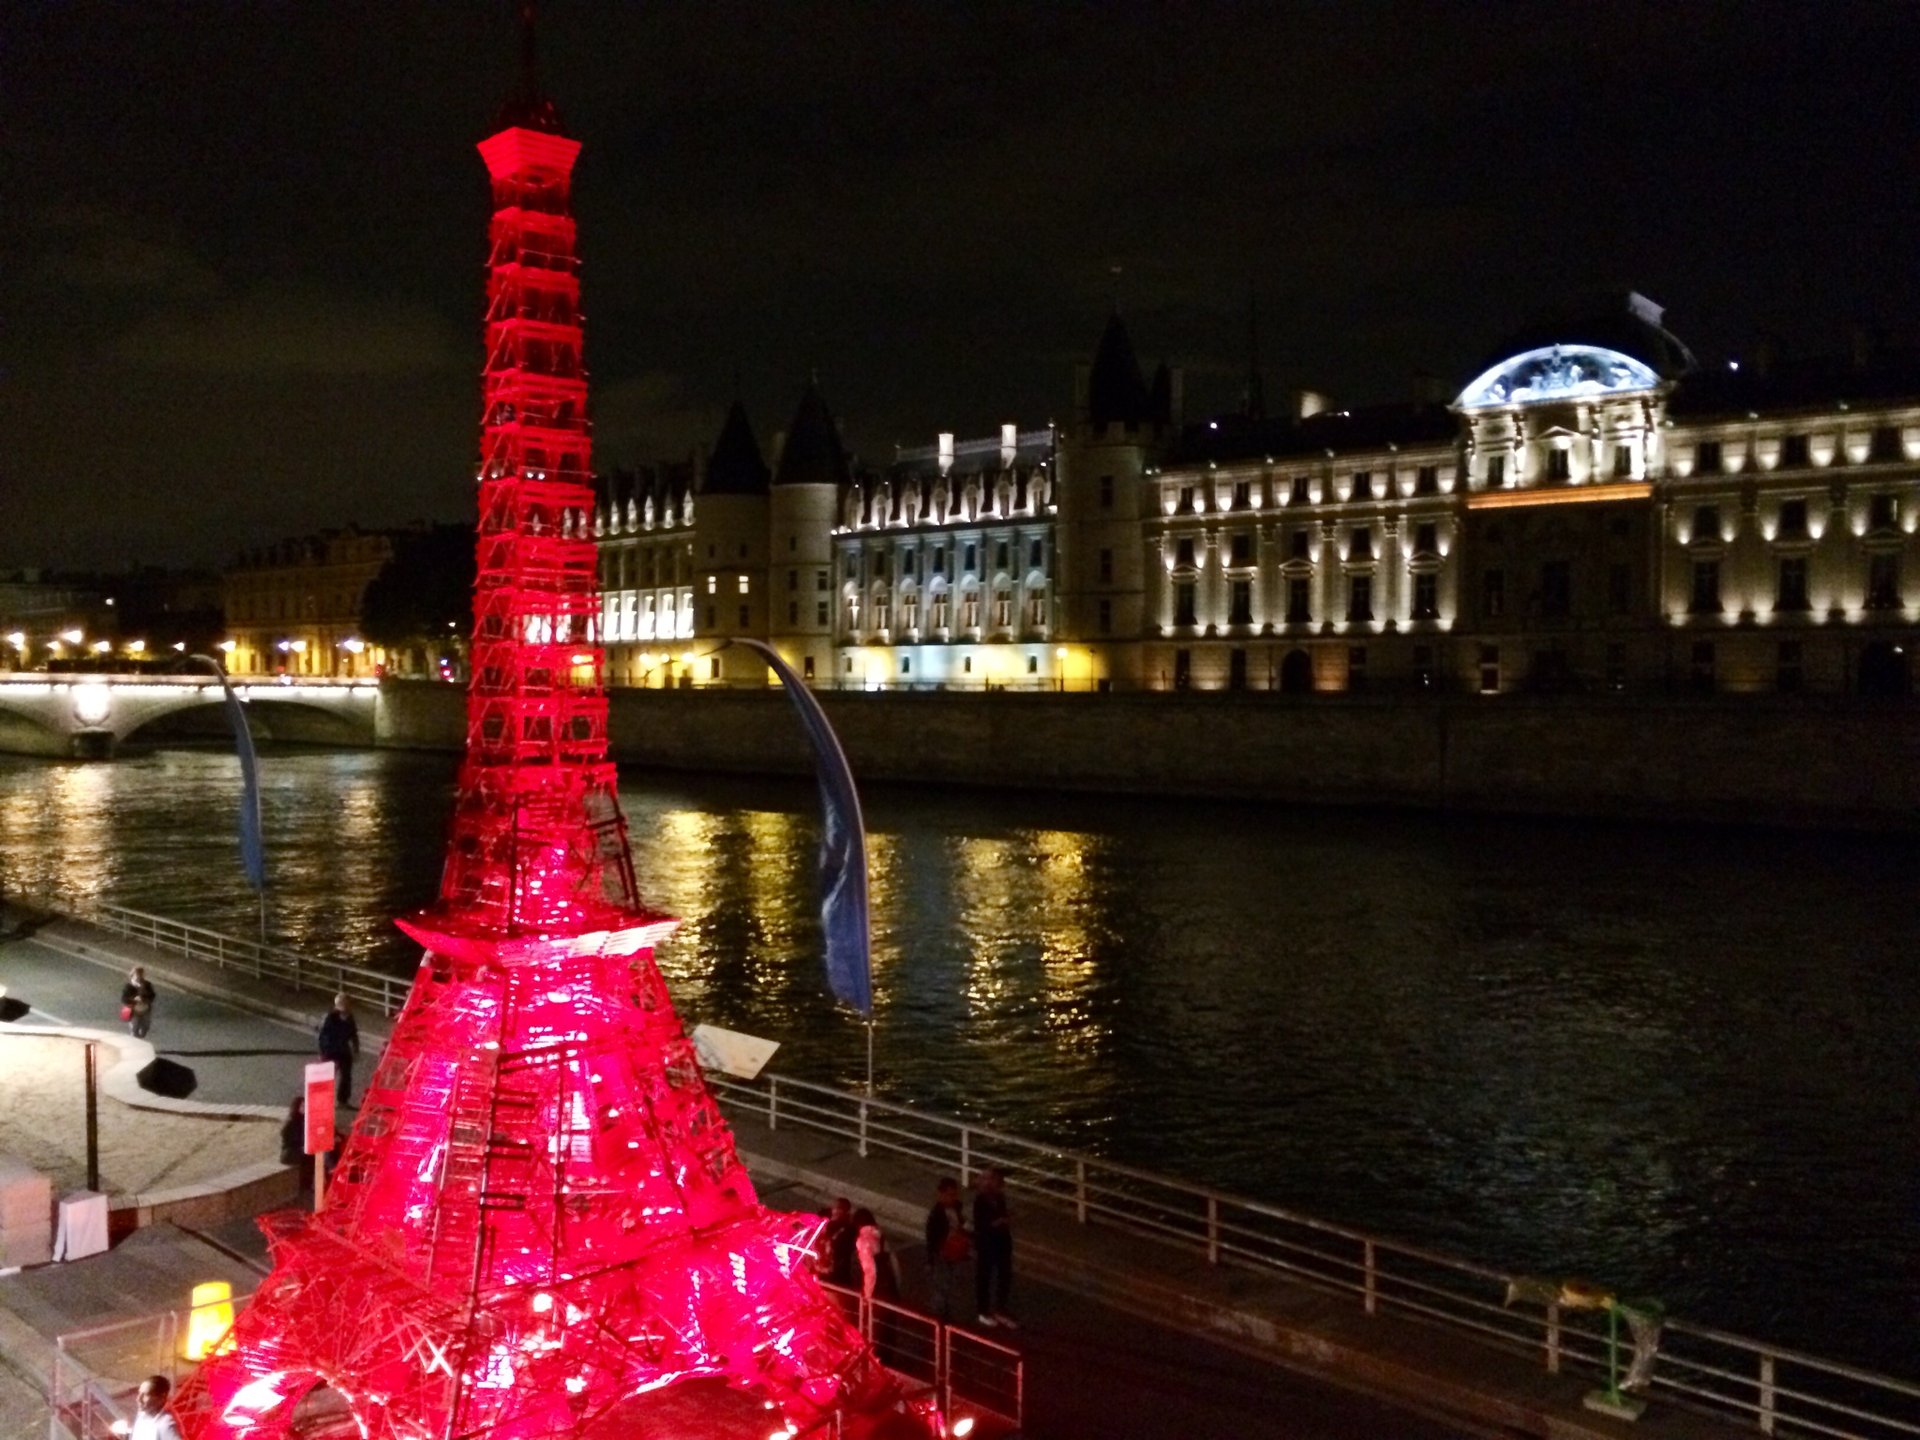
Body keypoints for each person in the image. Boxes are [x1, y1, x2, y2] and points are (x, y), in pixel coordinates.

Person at [972, 1167, 1016, 1329]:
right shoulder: (981, 1200)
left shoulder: (999, 1198)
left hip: (1002, 1242)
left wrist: (1003, 1220)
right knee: (984, 1277)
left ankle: (1000, 1309)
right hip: (986, 1244)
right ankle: (983, 1311)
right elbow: (982, 1225)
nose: (991, 1183)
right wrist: (1001, 1221)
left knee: (1004, 1277)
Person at [923, 1176, 969, 1322]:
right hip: (942, 1252)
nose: (953, 1198)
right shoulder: (936, 1215)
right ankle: (939, 1317)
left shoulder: (956, 1208)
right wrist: (930, 1260)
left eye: (954, 1195)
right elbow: (931, 1240)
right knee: (941, 1285)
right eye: (950, 1194)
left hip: (954, 1251)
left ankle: (945, 1314)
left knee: (949, 1284)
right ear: (941, 1194)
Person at [316, 993, 361, 1106]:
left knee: (346, 1076)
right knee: (327, 1075)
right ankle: (322, 1100)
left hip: (343, 1050)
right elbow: (322, 1036)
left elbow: (353, 1034)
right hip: (330, 1050)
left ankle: (343, 1100)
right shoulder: (330, 1017)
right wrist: (322, 1052)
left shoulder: (349, 1017)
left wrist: (356, 1050)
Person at [110, 1374, 182, 1440]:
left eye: (145, 1395)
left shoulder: (165, 1424)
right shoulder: (142, 1414)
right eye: (139, 1393)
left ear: (161, 1398)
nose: (138, 1399)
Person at [853, 1207, 899, 1303]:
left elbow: (870, 1271)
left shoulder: (863, 1241)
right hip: (889, 1286)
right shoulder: (880, 1235)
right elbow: (892, 1259)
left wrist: (867, 1295)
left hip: (877, 1290)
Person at [814, 1196, 858, 1289]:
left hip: (836, 1274)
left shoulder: (848, 1230)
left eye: (839, 1209)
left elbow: (844, 1251)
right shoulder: (826, 1226)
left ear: (846, 1211)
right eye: (834, 1208)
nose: (836, 1211)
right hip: (822, 1270)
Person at [120, 967, 155, 1040]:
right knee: (134, 1028)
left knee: (146, 1026)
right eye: (137, 975)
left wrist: (145, 998)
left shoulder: (147, 984)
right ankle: (135, 1042)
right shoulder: (129, 986)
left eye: (141, 975)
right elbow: (124, 999)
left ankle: (141, 1035)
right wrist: (134, 1000)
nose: (139, 977)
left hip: (145, 1010)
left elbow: (152, 995)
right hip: (134, 1011)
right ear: (132, 975)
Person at [280, 1095, 305, 1168]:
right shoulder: (292, 1122)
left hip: (299, 1150)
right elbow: (289, 1140)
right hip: (290, 1153)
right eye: (303, 1106)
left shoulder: (303, 1120)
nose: (305, 1108)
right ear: (297, 1107)